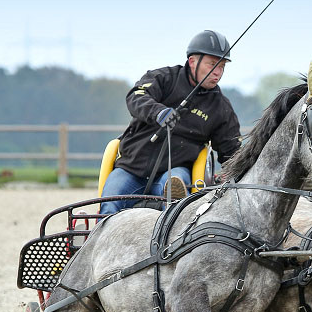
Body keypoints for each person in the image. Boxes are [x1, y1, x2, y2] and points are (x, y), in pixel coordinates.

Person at [99, 30, 242, 215]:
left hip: (174, 172)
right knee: (109, 204)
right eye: (212, 64)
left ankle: (173, 232)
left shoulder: (221, 108)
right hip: (131, 169)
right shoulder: (163, 78)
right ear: (192, 62)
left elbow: (232, 151)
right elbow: (136, 96)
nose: (218, 72)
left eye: (222, 66)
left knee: (175, 196)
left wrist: (232, 173)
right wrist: (158, 112)